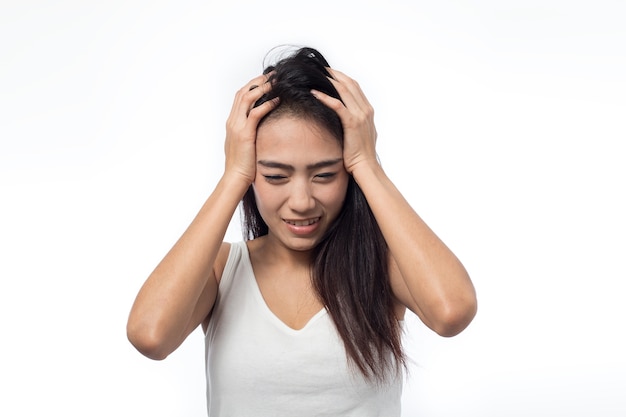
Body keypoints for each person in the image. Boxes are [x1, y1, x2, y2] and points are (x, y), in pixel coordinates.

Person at [127, 46, 477, 416]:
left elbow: (451, 312)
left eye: (324, 174)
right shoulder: (221, 269)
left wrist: (367, 164)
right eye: (276, 176)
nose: (302, 201)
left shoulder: (382, 266)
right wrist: (233, 175)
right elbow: (151, 336)